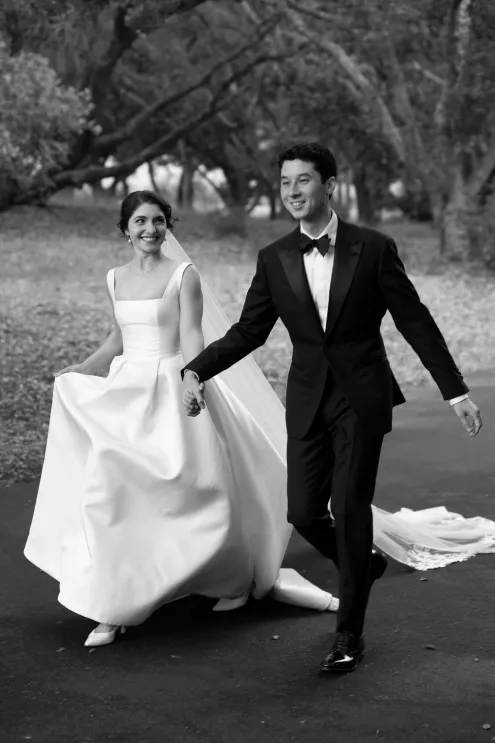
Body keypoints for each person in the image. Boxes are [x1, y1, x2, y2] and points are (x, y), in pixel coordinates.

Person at [181, 142, 485, 674]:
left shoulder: (374, 248)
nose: (292, 191)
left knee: (348, 509)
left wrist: (455, 391)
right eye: (285, 182)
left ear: (330, 185)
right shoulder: (274, 257)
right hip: (306, 400)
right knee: (302, 511)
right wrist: (196, 369)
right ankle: (362, 562)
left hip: (361, 398)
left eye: (303, 180)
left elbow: (414, 321)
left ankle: (349, 634)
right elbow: (250, 330)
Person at [24, 190, 341, 649]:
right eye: (140, 222)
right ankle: (113, 605)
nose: (150, 229)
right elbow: (117, 336)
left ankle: (230, 578)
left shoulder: (183, 275)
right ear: (125, 229)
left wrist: (195, 379)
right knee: (109, 488)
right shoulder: (114, 278)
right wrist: (84, 368)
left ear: (167, 226)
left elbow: (192, 333)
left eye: (158, 221)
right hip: (127, 391)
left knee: (194, 490)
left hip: (171, 383)